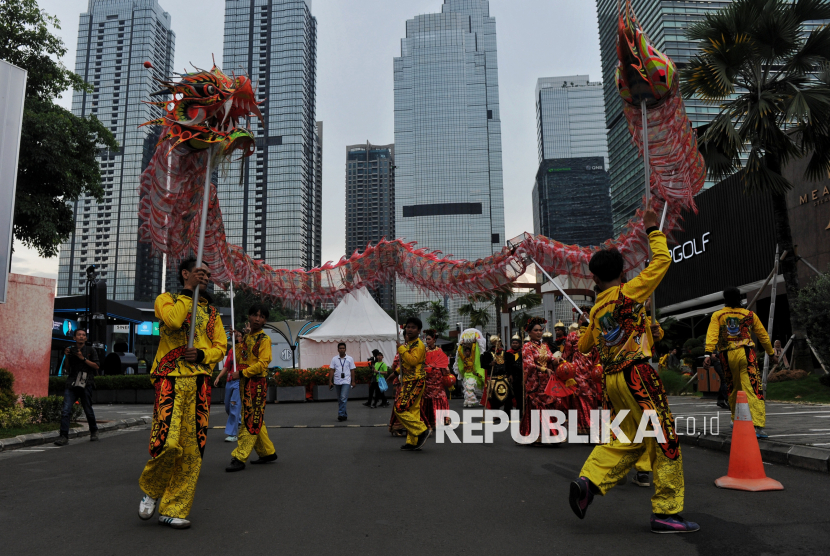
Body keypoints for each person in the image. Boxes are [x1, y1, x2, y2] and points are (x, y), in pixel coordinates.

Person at [569, 201, 699, 534]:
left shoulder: (597, 310)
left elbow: (584, 347)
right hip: (637, 376)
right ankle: (666, 511)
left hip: (613, 382)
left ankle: (590, 480)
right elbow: (662, 260)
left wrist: (595, 319)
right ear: (623, 272)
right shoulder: (628, 293)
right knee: (664, 438)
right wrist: (653, 229)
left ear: (594, 277)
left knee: (628, 436)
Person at [137, 257, 227, 529]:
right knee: (167, 442)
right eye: (200, 273)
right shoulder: (165, 300)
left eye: (207, 274)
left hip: (199, 383)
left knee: (192, 450)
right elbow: (175, 323)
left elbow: (220, 346)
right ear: (186, 273)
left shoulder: (211, 313)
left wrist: (201, 353)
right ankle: (152, 488)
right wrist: (188, 292)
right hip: (171, 379)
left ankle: (174, 508)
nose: (205, 277)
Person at [704, 287, 777, 439]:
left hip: (726, 355)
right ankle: (757, 425)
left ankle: (734, 419)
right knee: (753, 387)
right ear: (740, 299)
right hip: (746, 354)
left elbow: (712, 334)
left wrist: (707, 353)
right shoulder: (750, 315)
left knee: (733, 387)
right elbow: (763, 335)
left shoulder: (718, 315)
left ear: (725, 299)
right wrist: (771, 353)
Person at [226, 304, 278, 472]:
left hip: (256, 383)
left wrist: (241, 374)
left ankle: (240, 456)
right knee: (255, 418)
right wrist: (238, 341)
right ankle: (267, 452)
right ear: (248, 317)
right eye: (255, 315)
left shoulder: (264, 339)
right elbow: (243, 357)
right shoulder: (249, 338)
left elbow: (263, 363)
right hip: (245, 383)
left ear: (265, 320)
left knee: (250, 419)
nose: (257, 319)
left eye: (261, 316)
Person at [386, 317, 430, 451]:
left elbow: (412, 361)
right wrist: (395, 373)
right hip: (409, 381)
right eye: (408, 327)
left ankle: (422, 430)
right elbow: (405, 365)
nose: (409, 329)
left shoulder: (419, 345)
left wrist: (401, 350)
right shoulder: (409, 345)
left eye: (413, 327)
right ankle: (413, 441)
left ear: (419, 331)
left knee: (400, 408)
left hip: (415, 381)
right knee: (413, 411)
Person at [54, 328, 100, 446]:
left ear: (85, 338)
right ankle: (63, 436)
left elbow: (96, 366)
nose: (81, 336)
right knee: (66, 410)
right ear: (74, 338)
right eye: (78, 335)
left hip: (86, 382)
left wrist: (82, 358)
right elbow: (67, 369)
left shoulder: (91, 350)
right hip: (72, 382)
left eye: (83, 335)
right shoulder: (71, 350)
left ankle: (94, 431)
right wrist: (67, 357)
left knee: (88, 409)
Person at [520, 317, 560, 443]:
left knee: (550, 406)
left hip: (547, 382)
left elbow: (551, 358)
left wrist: (557, 361)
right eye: (536, 330)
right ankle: (538, 436)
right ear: (530, 332)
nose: (539, 332)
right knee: (538, 407)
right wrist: (544, 370)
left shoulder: (545, 346)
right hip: (534, 383)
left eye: (540, 330)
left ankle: (551, 434)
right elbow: (528, 364)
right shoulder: (527, 347)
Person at [214, 330, 243, 442]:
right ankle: (238, 420)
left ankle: (232, 433)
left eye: (239, 335)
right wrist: (218, 377)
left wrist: (243, 336)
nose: (237, 337)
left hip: (238, 381)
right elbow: (226, 366)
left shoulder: (243, 350)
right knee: (227, 406)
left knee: (234, 406)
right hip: (229, 381)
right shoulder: (231, 351)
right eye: (236, 335)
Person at [421, 330, 450, 430]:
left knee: (440, 397)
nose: (427, 341)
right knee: (427, 398)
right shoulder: (424, 351)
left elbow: (443, 363)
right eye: (426, 339)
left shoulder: (439, 351)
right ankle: (428, 421)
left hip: (437, 378)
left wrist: (446, 370)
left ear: (434, 340)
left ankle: (442, 420)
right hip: (427, 377)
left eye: (429, 339)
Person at [482, 336, 513, 411]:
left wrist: (510, 374)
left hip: (504, 378)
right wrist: (490, 364)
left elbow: (509, 365)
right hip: (493, 379)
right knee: (494, 398)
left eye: (499, 341)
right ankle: (495, 414)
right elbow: (483, 365)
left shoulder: (505, 353)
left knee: (508, 397)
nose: (498, 343)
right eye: (496, 342)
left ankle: (507, 413)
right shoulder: (487, 354)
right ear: (492, 343)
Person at [328, 342, 356, 422]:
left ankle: (340, 414)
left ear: (345, 349)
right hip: (337, 381)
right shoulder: (334, 359)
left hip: (346, 381)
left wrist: (353, 381)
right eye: (340, 348)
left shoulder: (350, 359)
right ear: (338, 349)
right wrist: (330, 381)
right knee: (340, 399)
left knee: (343, 397)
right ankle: (344, 415)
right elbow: (332, 370)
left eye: (343, 348)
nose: (342, 349)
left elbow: (352, 370)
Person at [456, 335, 485, 407]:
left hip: (472, 374)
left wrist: (474, 342)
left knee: (470, 387)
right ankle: (468, 400)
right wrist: (461, 344)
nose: (467, 353)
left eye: (468, 351)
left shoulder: (472, 358)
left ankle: (471, 401)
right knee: (466, 388)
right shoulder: (464, 359)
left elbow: (473, 350)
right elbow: (459, 351)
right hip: (466, 374)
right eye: (466, 352)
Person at [506, 334, 524, 418]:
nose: (515, 344)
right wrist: (509, 375)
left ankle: (520, 413)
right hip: (509, 377)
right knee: (508, 397)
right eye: (513, 343)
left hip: (519, 378)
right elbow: (506, 366)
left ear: (520, 344)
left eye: (516, 343)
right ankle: (507, 414)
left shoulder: (523, 353)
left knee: (519, 397)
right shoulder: (507, 353)